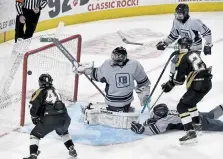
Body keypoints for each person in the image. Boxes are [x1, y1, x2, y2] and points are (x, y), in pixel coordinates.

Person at [74, 46, 151, 129]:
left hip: (127, 100)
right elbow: (98, 74)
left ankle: (96, 110)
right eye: (115, 56)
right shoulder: (108, 64)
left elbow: (143, 82)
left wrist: (144, 95)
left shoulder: (134, 65)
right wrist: (86, 70)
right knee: (119, 113)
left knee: (122, 113)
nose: (117, 59)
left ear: (125, 57)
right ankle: (93, 110)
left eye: (120, 57)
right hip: (113, 101)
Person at [158, 37, 212, 144]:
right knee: (190, 103)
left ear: (180, 46)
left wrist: (169, 84)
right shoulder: (194, 54)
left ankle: (190, 133)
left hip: (198, 84)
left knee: (181, 106)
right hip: (207, 83)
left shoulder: (182, 57)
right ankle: (197, 127)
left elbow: (179, 80)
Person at [24, 74, 77, 159]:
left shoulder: (40, 91)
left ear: (40, 82)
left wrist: (34, 117)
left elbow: (34, 106)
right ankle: (71, 148)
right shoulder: (55, 90)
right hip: (65, 118)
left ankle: (33, 154)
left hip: (50, 119)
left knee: (34, 135)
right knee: (63, 132)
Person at [131, 103, 223, 135]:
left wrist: (142, 130)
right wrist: (150, 121)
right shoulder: (169, 111)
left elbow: (155, 130)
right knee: (211, 114)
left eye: (155, 115)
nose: (154, 116)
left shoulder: (165, 120)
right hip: (194, 114)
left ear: (160, 116)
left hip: (197, 122)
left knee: (219, 126)